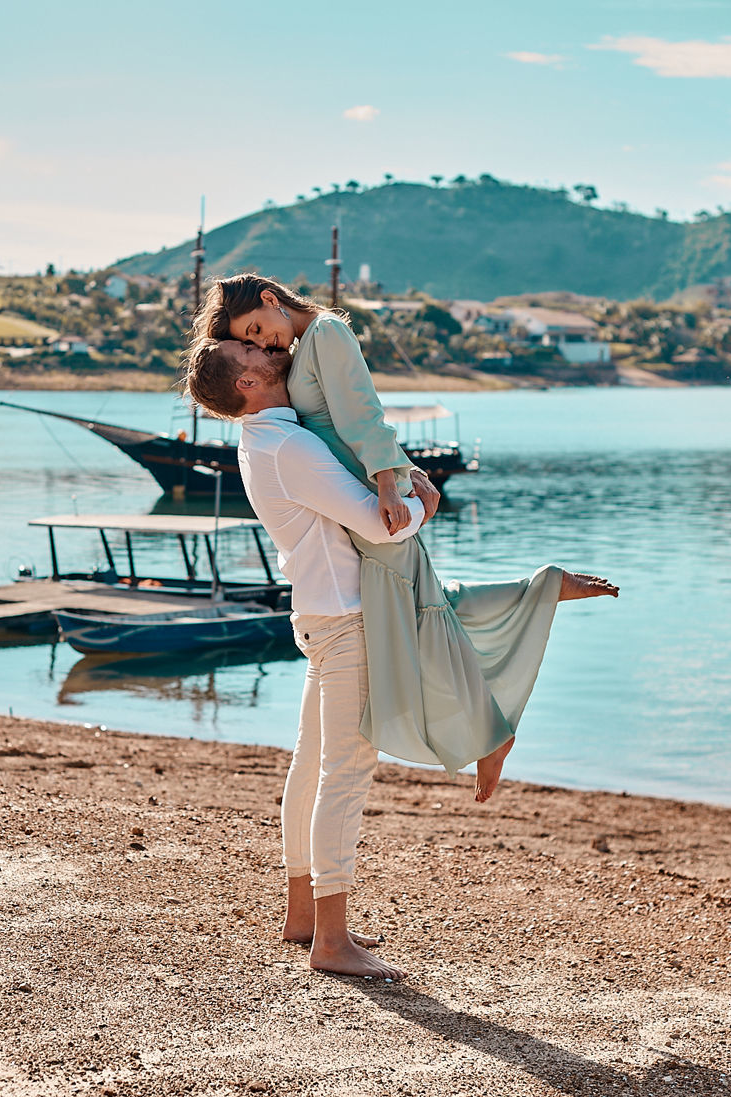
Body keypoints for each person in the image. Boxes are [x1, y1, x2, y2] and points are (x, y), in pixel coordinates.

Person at [188, 276, 617, 800]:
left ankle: (493, 723)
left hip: (375, 502)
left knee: (423, 609)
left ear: (272, 299)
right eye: (250, 343)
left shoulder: (325, 332)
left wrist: (394, 482)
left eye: (257, 330)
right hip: (363, 500)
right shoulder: (301, 355)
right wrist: (400, 475)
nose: (264, 344)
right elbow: (346, 425)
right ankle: (527, 627)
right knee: (425, 606)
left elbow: (364, 412)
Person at [190, 340, 423, 980]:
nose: (269, 348)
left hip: (321, 614)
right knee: (344, 772)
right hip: (347, 618)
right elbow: (384, 527)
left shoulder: (261, 442)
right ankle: (332, 939)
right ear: (246, 382)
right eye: (252, 347)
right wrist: (422, 498)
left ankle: (303, 915)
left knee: (313, 764)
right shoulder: (291, 446)